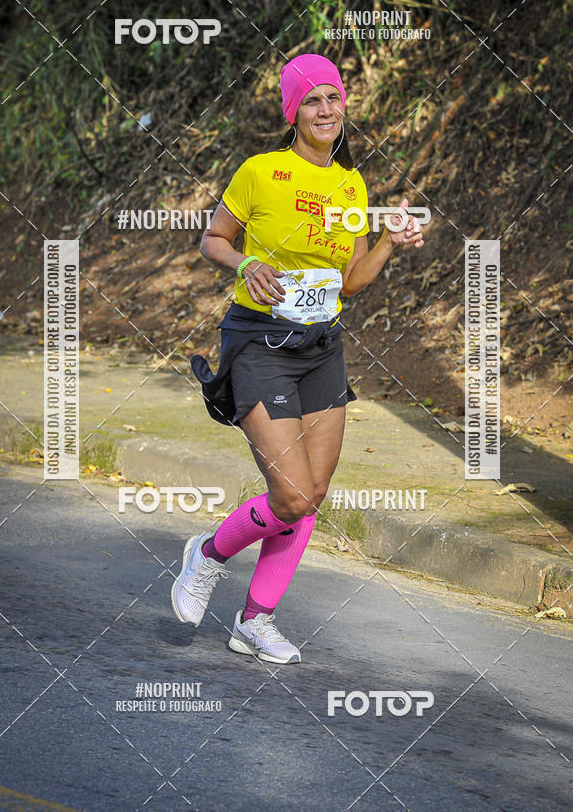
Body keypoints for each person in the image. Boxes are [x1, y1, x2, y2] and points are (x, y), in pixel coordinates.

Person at [171, 53, 425, 664]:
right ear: (293, 111)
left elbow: (352, 279)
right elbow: (213, 239)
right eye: (312, 99)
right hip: (259, 342)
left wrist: (389, 242)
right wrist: (247, 264)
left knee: (313, 494)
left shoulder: (351, 183)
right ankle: (207, 556)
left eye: (334, 98)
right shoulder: (260, 172)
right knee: (290, 495)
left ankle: (255, 620)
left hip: (321, 347)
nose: (326, 109)